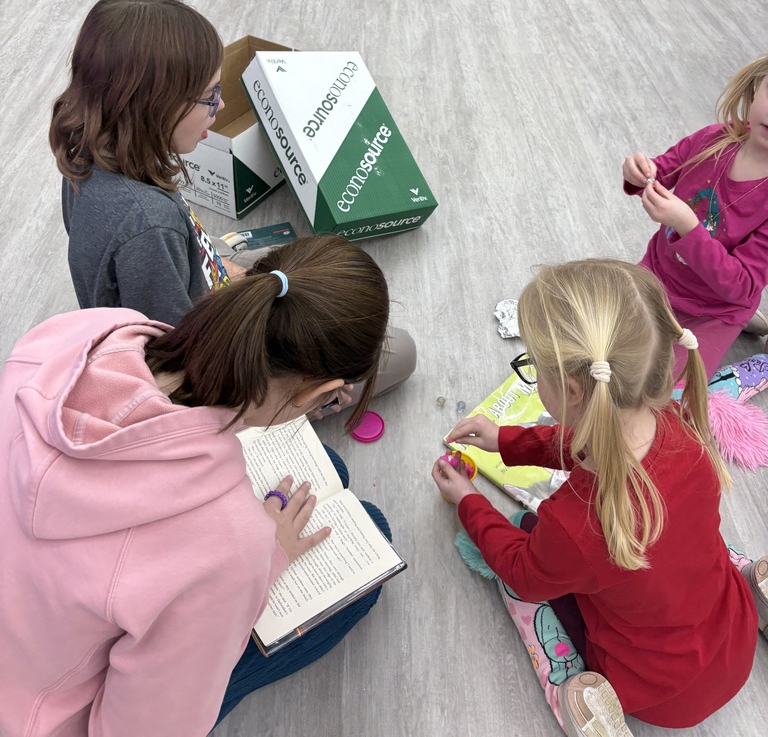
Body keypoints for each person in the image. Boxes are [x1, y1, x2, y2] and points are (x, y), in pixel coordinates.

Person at [0, 235, 395, 735]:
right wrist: (262, 558)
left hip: (26, 642)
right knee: (372, 538)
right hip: (38, 718)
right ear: (321, 394)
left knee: (328, 471)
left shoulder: (89, 330)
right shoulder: (229, 547)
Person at [433, 259, 766, 736]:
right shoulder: (674, 420)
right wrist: (507, 440)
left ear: (570, 390)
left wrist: (469, 499)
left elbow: (524, 574)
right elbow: (595, 439)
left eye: (532, 367)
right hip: (732, 633)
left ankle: (593, 716)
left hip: (658, 693)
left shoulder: (576, 525)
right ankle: (759, 582)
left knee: (529, 552)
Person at [49, 0, 416, 411]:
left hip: (191, 281)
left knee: (299, 271)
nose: (220, 106)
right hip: (197, 358)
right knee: (398, 351)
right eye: (209, 96)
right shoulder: (148, 227)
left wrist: (216, 270)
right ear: (154, 106)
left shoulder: (87, 150)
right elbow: (179, 365)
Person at [622, 56, 768, 380]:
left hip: (716, 309)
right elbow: (660, 170)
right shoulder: (713, 138)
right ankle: (749, 320)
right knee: (605, 341)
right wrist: (639, 172)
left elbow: (742, 285)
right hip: (658, 274)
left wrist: (687, 225)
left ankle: (744, 326)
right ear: (757, 86)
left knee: (665, 388)